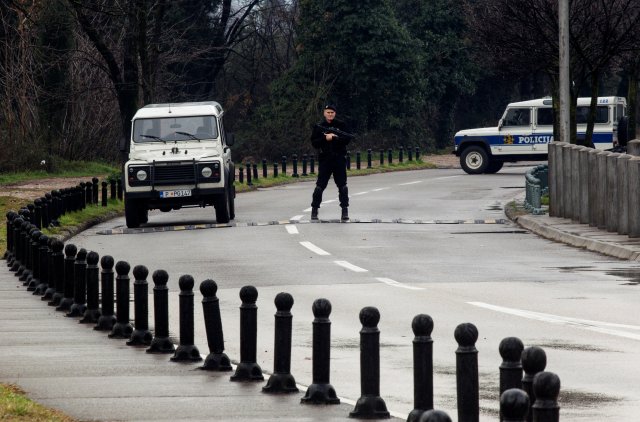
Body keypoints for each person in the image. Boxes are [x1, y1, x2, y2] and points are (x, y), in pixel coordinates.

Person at [310, 104, 353, 221]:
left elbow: (348, 139)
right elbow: (314, 143)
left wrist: (335, 138)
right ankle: (314, 210)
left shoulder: (341, 125)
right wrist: (325, 138)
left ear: (335, 113)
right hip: (325, 159)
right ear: (324, 113)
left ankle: (345, 210)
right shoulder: (319, 126)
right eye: (328, 112)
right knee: (320, 186)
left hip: (339, 158)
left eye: (332, 113)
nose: (330, 115)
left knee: (343, 186)